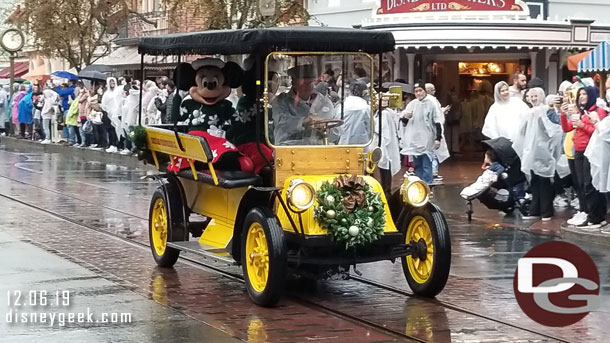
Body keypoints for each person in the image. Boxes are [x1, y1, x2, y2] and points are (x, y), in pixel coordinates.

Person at [560, 86, 608, 228]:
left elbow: (600, 131)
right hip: (578, 150)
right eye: (579, 94)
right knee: (580, 184)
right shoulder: (582, 112)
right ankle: (585, 211)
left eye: (584, 94)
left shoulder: (598, 112)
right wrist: (562, 115)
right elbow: (567, 128)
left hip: (591, 150)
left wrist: (582, 125)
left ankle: (596, 216)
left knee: (590, 184)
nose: (581, 97)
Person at [520, 88, 563, 221]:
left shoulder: (545, 111)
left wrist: (549, 147)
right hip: (531, 152)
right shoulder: (529, 112)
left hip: (543, 151)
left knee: (544, 181)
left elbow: (554, 130)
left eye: (535, 96)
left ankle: (546, 211)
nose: (533, 99)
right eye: (530, 96)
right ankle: (535, 210)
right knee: (534, 181)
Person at [271, 64, 335, 145]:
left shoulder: (324, 101)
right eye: (303, 83)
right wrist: (303, 121)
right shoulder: (282, 101)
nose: (307, 86)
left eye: (310, 82)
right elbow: (281, 122)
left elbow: (336, 128)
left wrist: (327, 127)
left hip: (319, 148)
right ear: (293, 82)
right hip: (289, 148)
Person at [399, 80, 443, 185]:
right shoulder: (412, 104)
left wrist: (438, 138)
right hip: (415, 139)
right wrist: (405, 117)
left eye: (420, 90)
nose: (418, 93)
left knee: (426, 163)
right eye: (416, 91)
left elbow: (437, 121)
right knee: (417, 164)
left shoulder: (431, 104)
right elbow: (404, 121)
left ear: (424, 91)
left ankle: (427, 185)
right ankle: (419, 186)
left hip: (427, 138)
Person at [481, 81, 530, 156]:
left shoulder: (517, 102)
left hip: (519, 141)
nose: (505, 92)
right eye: (502, 91)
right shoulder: (495, 108)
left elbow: (528, 117)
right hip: (503, 145)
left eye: (507, 89)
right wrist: (498, 140)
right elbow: (490, 126)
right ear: (498, 93)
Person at [334, 80, 370, 145]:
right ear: (364, 93)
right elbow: (371, 127)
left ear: (349, 91)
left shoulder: (341, 106)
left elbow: (336, 126)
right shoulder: (365, 107)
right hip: (362, 144)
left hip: (343, 142)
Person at [101, 77, 124, 153]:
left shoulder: (118, 92)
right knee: (110, 130)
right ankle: (112, 144)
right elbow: (104, 103)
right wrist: (107, 110)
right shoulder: (106, 93)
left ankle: (117, 145)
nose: (112, 84)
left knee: (117, 129)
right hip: (109, 114)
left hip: (118, 113)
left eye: (113, 82)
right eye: (110, 83)